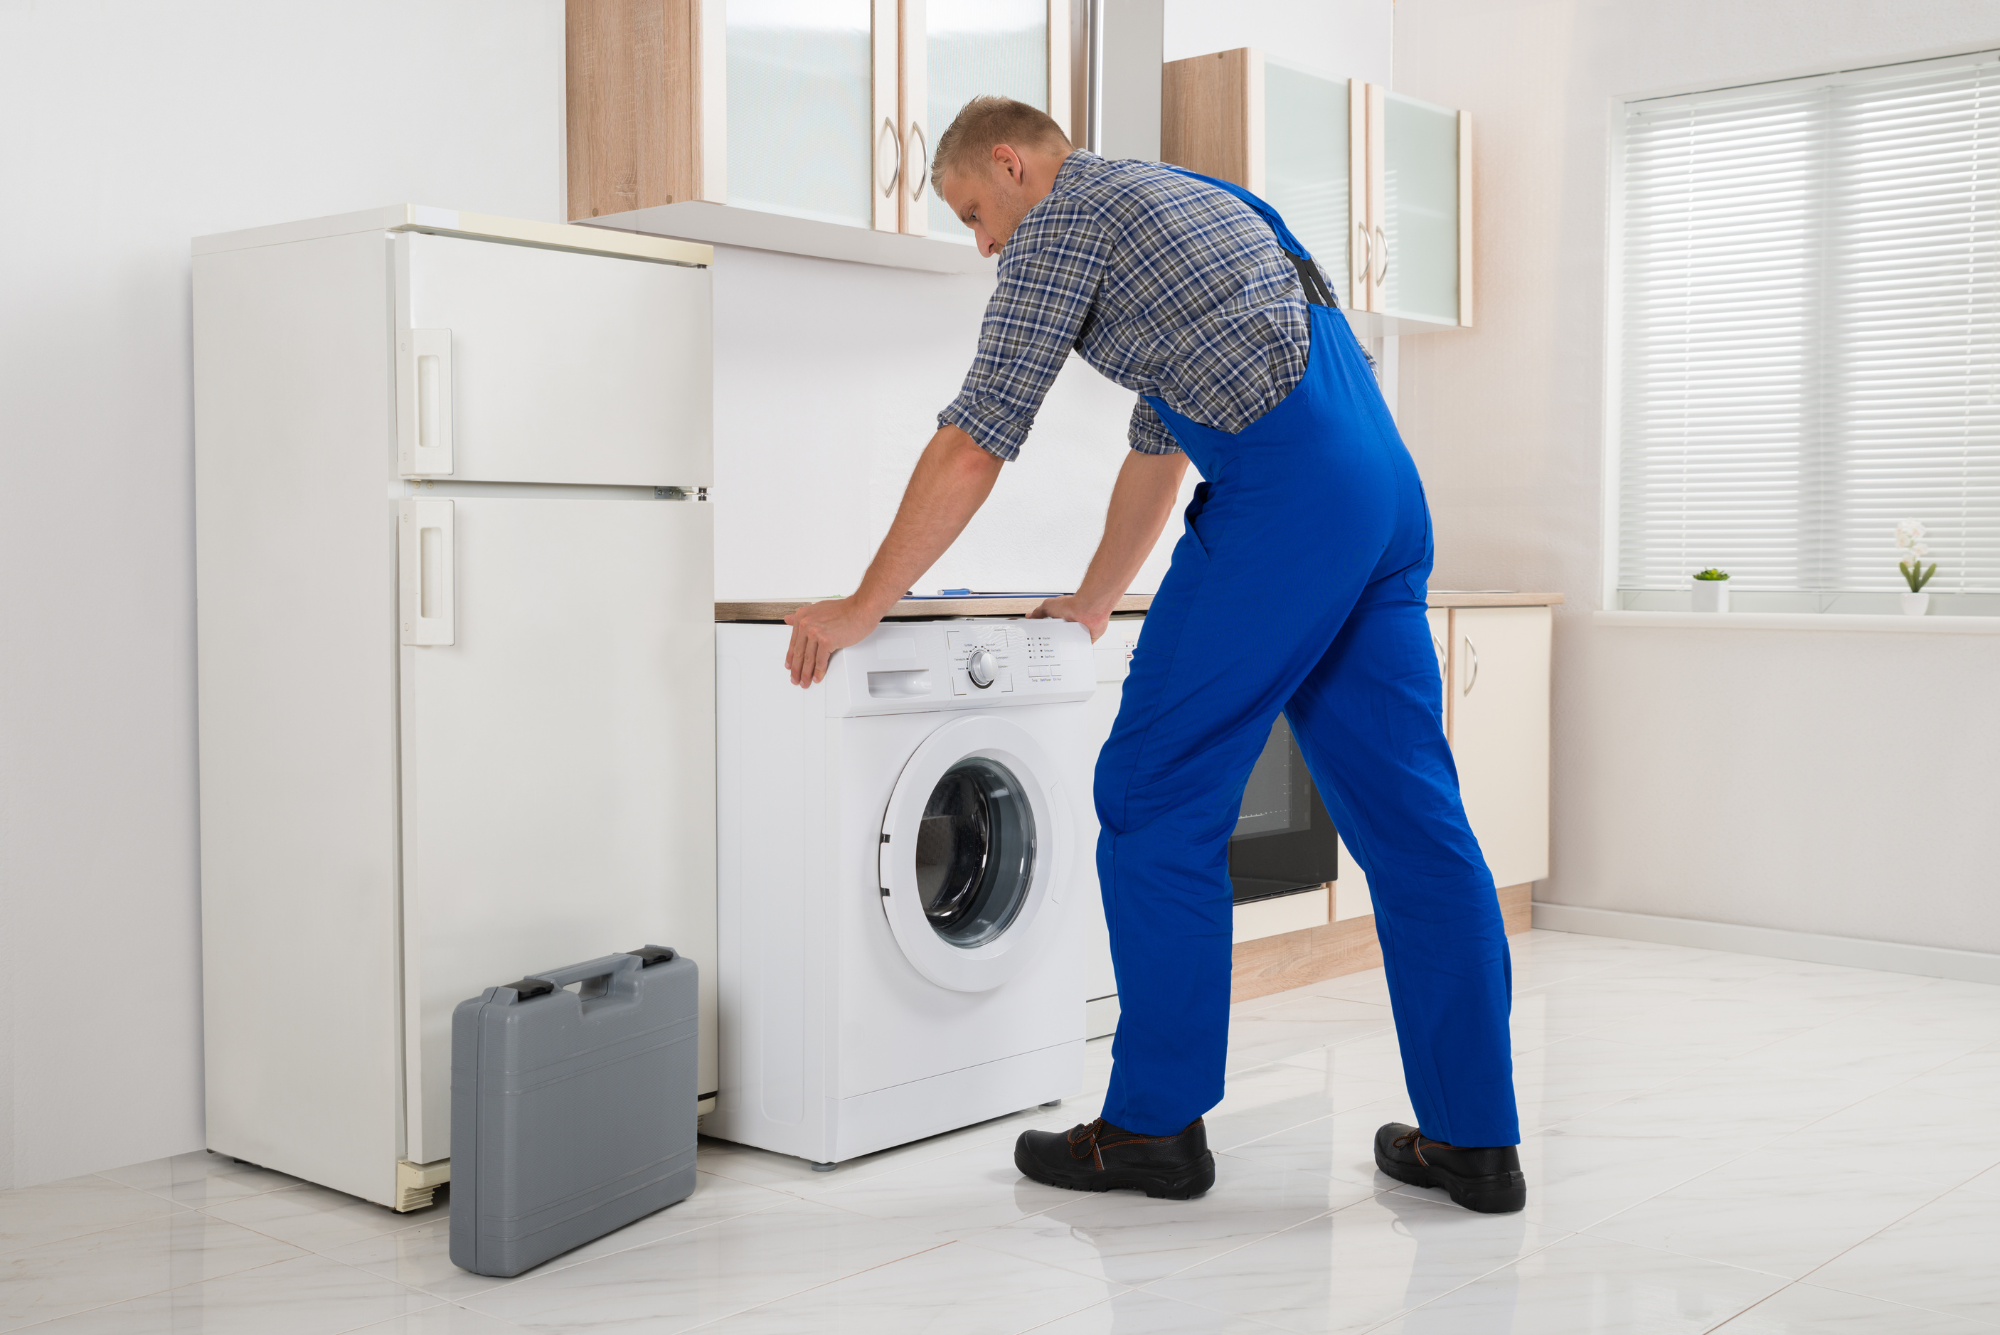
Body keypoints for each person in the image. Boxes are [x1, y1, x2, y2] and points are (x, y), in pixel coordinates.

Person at [782, 96, 1525, 1214]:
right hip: (1380, 486)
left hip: (1290, 498)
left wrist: (861, 604)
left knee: (1149, 790)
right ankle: (1474, 1143)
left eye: (974, 213)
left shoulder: (1061, 221)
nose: (982, 244)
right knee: (1417, 826)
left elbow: (979, 433)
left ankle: (1149, 1128)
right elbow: (1160, 443)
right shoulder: (1196, 202)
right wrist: (1094, 598)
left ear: (1010, 165)